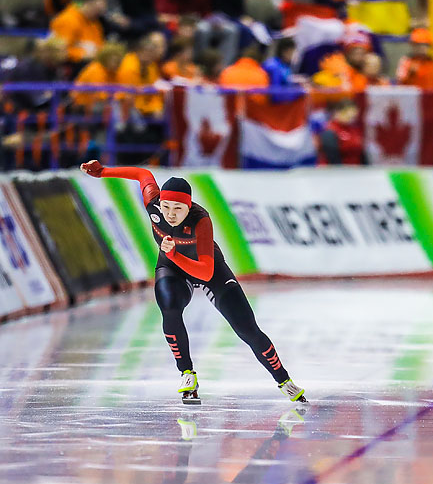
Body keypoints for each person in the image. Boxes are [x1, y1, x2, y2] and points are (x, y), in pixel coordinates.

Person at [79, 160, 307, 404]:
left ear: (189, 207)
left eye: (178, 208)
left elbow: (206, 273)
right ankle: (187, 372)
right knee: (169, 305)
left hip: (208, 268)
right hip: (172, 266)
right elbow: (141, 173)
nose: (170, 214)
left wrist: (174, 253)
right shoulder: (153, 204)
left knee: (247, 329)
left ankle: (284, 380)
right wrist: (103, 172)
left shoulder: (201, 221)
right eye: (166, 207)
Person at [49, 0, 107, 68]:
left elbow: (99, 45)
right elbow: (59, 51)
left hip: (93, 63)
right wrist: (82, 55)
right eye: (97, 10)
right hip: (72, 66)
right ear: (87, 4)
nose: (98, 14)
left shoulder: (94, 23)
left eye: (101, 11)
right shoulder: (67, 20)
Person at [72, 41, 126, 112]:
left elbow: (121, 89)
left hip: (100, 103)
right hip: (82, 104)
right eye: (114, 61)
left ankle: (139, 123)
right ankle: (119, 123)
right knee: (114, 106)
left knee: (126, 105)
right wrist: (118, 96)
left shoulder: (113, 71)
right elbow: (100, 95)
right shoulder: (96, 69)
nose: (117, 63)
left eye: (119, 61)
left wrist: (120, 96)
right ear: (105, 59)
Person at [318, 99, 367, 165]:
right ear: (338, 113)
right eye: (348, 117)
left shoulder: (354, 129)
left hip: (356, 170)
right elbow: (333, 158)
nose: (351, 119)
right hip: (338, 171)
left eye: (353, 117)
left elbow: (362, 153)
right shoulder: (330, 131)